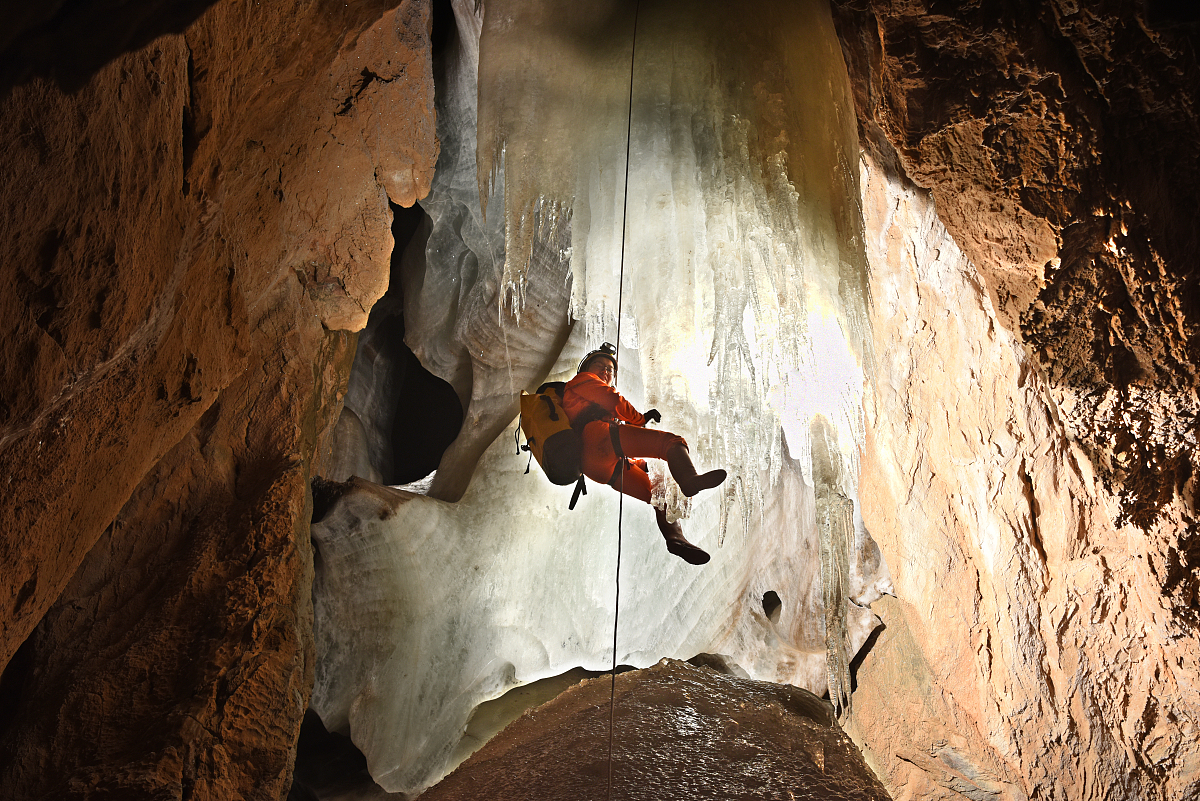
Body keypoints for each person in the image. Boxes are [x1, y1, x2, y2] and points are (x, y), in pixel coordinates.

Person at [562, 343, 727, 565]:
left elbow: (614, 445)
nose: (606, 371)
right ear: (586, 369)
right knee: (671, 442)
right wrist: (639, 419)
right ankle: (690, 480)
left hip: (595, 465)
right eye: (599, 365)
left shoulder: (581, 395)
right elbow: (612, 399)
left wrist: (643, 465)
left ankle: (675, 540)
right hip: (597, 436)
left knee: (661, 495)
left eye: (610, 370)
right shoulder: (582, 381)